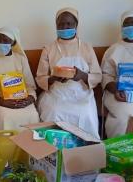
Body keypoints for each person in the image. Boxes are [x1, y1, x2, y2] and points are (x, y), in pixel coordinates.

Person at [36, 8, 102, 138]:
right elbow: (40, 77)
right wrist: (53, 78)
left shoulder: (86, 47)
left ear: (76, 25)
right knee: (53, 111)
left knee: (85, 112)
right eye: (61, 24)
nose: (64, 27)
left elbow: (97, 75)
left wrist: (82, 76)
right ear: (56, 26)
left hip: (81, 93)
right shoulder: (48, 49)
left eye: (69, 24)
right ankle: (52, 151)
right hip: (57, 93)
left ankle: (86, 148)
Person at [0, 26, 40, 130]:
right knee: (6, 117)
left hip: (21, 98)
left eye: (5, 40)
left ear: (13, 43)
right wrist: (2, 102)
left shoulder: (20, 59)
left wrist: (29, 99)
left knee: (33, 115)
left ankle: (28, 146)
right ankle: (6, 146)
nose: (1, 43)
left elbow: (29, 84)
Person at [102, 9, 133, 138]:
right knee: (123, 113)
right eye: (126, 24)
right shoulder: (114, 49)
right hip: (118, 93)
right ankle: (118, 151)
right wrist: (115, 88)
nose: (130, 26)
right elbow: (106, 74)